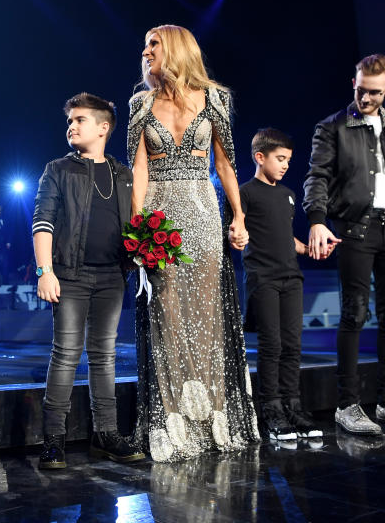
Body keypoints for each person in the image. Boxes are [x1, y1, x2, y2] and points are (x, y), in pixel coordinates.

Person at [128, 25, 260, 462]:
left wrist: (238, 216)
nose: (145, 52)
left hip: (203, 214)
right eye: (145, 46)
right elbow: (139, 171)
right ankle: (174, 424)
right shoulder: (140, 103)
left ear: (177, 49)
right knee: (165, 314)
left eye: (153, 44)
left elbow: (225, 163)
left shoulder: (216, 99)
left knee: (207, 316)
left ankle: (213, 422)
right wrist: (137, 226)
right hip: (159, 215)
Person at [304, 53, 385, 435]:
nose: (366, 98)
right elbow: (317, 177)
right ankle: (348, 404)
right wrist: (317, 221)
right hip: (356, 229)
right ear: (353, 83)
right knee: (354, 314)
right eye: (360, 90)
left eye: (374, 92)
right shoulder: (333, 127)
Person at [33, 92, 144, 470]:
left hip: (113, 277)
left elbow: (136, 221)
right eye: (70, 120)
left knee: (105, 357)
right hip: (70, 276)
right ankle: (53, 441)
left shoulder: (122, 174)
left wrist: (143, 251)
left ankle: (106, 435)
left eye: (80, 119)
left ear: (103, 127)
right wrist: (45, 271)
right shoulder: (58, 169)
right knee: (65, 356)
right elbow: (42, 221)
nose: (72, 125)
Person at [240, 128, 324, 441]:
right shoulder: (245, 193)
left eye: (288, 159)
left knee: (292, 345)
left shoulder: (288, 195)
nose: (286, 164)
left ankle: (293, 405)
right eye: (280, 158)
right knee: (272, 345)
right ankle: (272, 409)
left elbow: (282, 236)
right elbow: (238, 229)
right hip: (264, 277)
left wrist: (308, 248)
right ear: (260, 158)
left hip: (292, 277)